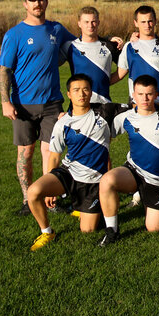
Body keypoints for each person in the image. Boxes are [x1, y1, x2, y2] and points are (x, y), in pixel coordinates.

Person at [26, 74, 129, 250]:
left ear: (90, 93)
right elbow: (54, 156)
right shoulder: (63, 123)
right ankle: (47, 232)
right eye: (76, 90)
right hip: (69, 173)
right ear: (69, 94)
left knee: (87, 230)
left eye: (85, 89)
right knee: (34, 192)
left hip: (93, 181)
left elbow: (140, 107)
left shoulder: (105, 112)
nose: (81, 94)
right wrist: (51, 191)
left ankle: (98, 209)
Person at [0, 0, 76, 215]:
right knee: (26, 152)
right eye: (32, 0)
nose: (37, 4)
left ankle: (51, 198)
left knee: (51, 152)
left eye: (40, 0)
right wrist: (5, 101)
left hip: (52, 103)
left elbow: (81, 43)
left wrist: (109, 41)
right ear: (25, 4)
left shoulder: (56, 29)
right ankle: (27, 200)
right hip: (23, 104)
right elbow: (5, 70)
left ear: (46, 2)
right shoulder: (14, 34)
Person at [95, 75, 159, 246]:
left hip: (157, 178)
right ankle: (112, 231)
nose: (145, 98)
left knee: (154, 228)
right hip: (133, 170)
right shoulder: (125, 116)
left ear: (156, 94)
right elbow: (98, 122)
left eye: (149, 94)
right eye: (140, 94)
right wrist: (66, 114)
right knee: (107, 181)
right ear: (133, 95)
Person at [115, 5, 159, 105]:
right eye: (143, 22)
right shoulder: (129, 47)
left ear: (155, 21)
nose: (147, 25)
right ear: (136, 23)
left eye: (150, 21)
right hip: (136, 105)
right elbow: (118, 75)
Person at [63, 6, 123, 103]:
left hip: (103, 104)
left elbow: (125, 66)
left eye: (93, 21)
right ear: (79, 24)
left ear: (98, 22)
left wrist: (105, 81)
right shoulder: (70, 46)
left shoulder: (109, 46)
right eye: (86, 22)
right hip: (78, 106)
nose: (90, 25)